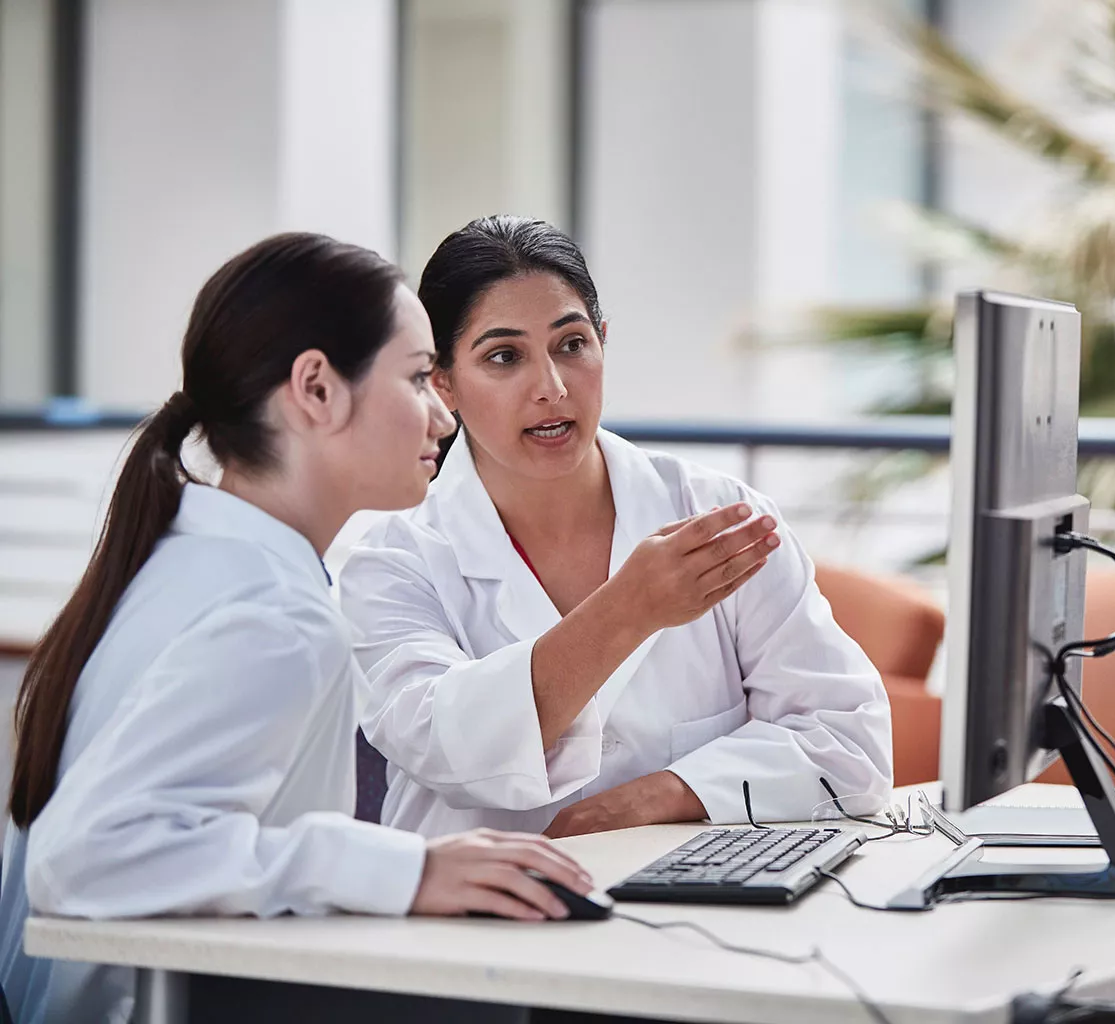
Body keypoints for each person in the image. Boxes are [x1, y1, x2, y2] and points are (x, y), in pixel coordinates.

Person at [0, 233, 594, 1024]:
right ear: (316, 388)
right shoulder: (275, 616)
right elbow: (82, 859)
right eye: (419, 377)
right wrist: (404, 871)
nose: (442, 415)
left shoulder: (187, 556)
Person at [338, 216, 893, 840]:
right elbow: (443, 744)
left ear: (603, 340)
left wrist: (661, 796)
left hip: (699, 907)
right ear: (444, 383)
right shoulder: (390, 561)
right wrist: (628, 610)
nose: (550, 388)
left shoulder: (718, 515)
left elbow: (851, 742)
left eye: (572, 345)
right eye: (504, 357)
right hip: (482, 923)